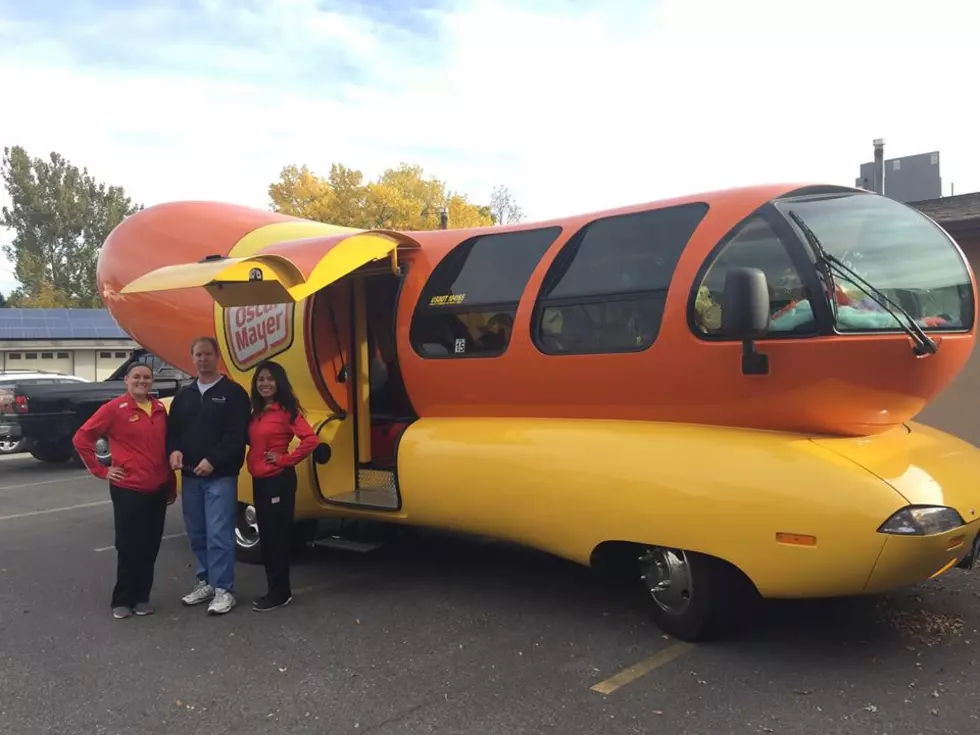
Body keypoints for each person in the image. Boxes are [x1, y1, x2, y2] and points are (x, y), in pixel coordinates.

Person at [72, 362, 176, 619]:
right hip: (128, 488)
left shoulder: (160, 408)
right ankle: (122, 599)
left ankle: (142, 597)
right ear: (126, 380)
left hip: (157, 488)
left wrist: (171, 484)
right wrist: (102, 470)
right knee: (129, 546)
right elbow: (81, 438)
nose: (142, 381)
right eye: (137, 377)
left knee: (150, 546)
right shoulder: (114, 409)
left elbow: (164, 450)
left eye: (147, 377)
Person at [166, 336, 251, 615]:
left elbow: (237, 435)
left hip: (220, 477)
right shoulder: (184, 395)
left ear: (217, 357)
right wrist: (174, 450)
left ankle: (224, 589)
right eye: (198, 355)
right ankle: (206, 582)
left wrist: (214, 460)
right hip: (190, 477)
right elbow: (174, 432)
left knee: (219, 534)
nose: (203, 359)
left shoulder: (233, 393)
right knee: (198, 533)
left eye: (207, 354)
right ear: (192, 358)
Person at [246, 360, 318, 611]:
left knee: (276, 537)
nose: (264, 384)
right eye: (260, 379)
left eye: (269, 379)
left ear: (279, 382)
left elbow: (310, 440)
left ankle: (279, 593)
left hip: (278, 480)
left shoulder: (288, 411)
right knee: (266, 537)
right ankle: (275, 588)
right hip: (260, 480)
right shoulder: (255, 412)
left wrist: (285, 460)